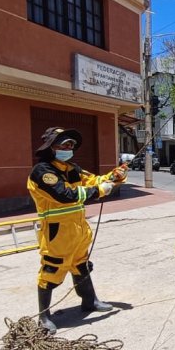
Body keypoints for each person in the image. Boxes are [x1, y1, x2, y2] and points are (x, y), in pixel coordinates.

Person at [27, 127, 127, 334]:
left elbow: (95, 181)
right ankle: (44, 316)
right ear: (51, 147)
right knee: (51, 271)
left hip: (78, 230)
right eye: (64, 145)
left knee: (81, 265)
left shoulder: (72, 168)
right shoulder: (43, 172)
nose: (69, 148)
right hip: (57, 234)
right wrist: (100, 190)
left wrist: (114, 176)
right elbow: (65, 195)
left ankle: (89, 301)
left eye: (71, 145)